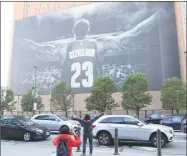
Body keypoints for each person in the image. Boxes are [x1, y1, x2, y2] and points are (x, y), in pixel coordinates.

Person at [22, 9, 166, 92]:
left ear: (73, 30)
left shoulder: (63, 46)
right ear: (89, 31)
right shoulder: (99, 43)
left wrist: (20, 40)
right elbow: (133, 33)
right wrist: (155, 17)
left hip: (68, 95)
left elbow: (36, 47)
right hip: (94, 93)